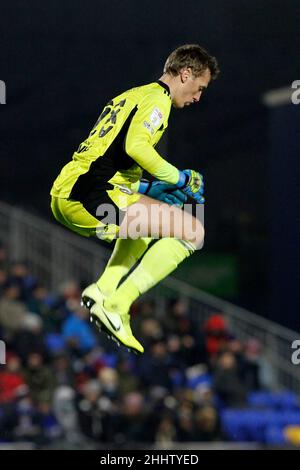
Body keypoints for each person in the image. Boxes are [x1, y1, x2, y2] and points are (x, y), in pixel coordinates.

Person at [50, 44, 219, 354]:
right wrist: (178, 178)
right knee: (194, 232)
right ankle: (118, 304)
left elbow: (108, 159)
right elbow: (136, 147)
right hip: (88, 199)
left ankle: (102, 291)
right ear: (185, 74)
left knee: (154, 220)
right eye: (200, 88)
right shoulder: (158, 100)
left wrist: (148, 189)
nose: (198, 97)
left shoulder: (133, 94)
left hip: (78, 190)